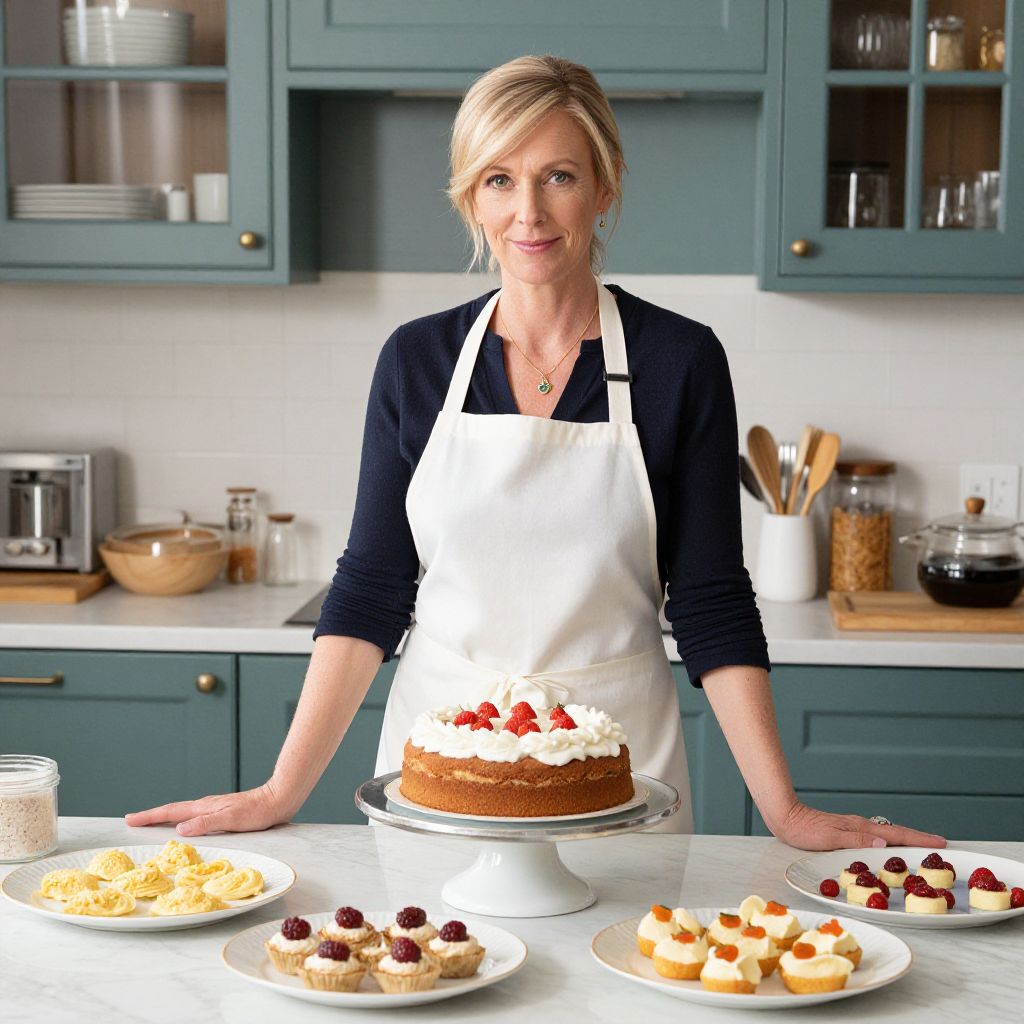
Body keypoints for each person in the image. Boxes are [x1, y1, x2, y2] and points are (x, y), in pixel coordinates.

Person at [127, 55, 943, 852]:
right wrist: (278, 792)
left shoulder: (680, 361)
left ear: (605, 184)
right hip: (439, 768)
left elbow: (711, 600)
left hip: (618, 771)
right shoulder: (418, 361)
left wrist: (785, 810)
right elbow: (373, 589)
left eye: (559, 176)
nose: (530, 213)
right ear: (470, 199)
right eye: (500, 180)